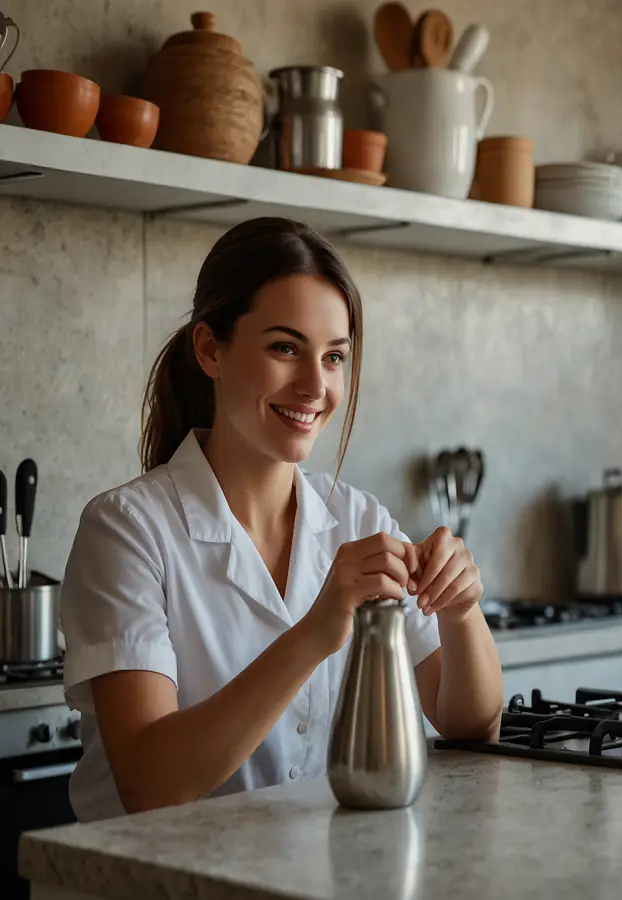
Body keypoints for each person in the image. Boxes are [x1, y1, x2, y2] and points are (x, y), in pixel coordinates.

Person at [58, 217, 503, 823]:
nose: (315, 386)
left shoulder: (358, 518)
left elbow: (471, 722)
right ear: (211, 349)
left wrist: (461, 610)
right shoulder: (126, 530)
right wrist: (315, 632)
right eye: (285, 348)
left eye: (335, 357)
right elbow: (150, 782)